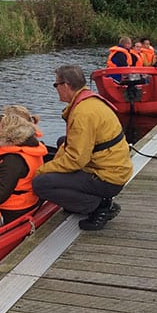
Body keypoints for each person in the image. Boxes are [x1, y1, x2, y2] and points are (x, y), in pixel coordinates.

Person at [32, 64, 133, 231]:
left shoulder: (82, 113)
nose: (56, 89)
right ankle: (84, 200)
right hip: (114, 166)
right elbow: (73, 145)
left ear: (65, 86)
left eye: (56, 85)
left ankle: (99, 206)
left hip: (108, 178)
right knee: (61, 141)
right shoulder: (89, 100)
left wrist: (43, 169)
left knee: (41, 183)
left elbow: (76, 160)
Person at [0, 107, 48, 223]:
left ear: (6, 134)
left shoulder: (12, 160)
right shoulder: (29, 149)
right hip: (26, 203)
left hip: (10, 212)